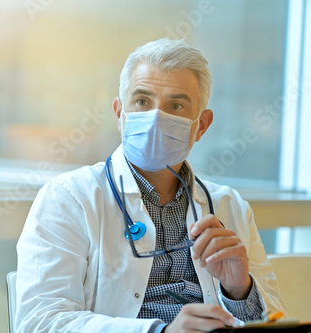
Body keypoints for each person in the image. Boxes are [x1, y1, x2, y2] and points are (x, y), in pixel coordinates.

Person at [15, 38, 286, 333]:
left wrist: (239, 290)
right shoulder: (68, 198)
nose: (156, 117)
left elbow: (276, 320)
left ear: (202, 126)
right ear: (120, 114)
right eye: (142, 101)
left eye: (176, 105)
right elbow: (40, 322)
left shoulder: (230, 206)